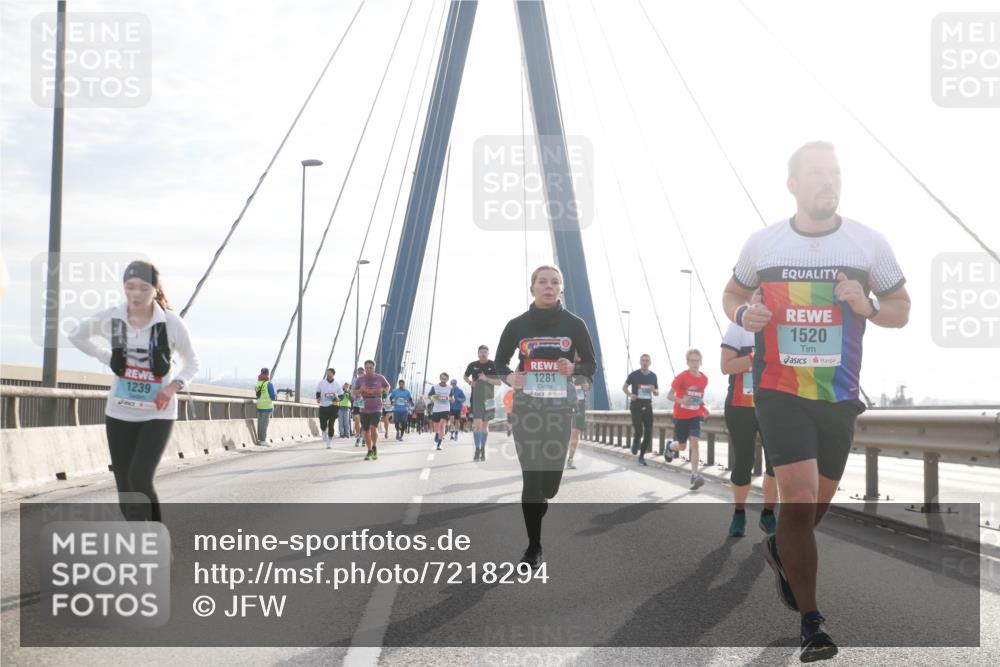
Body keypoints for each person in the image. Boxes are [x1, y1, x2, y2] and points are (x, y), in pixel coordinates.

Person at [722, 141, 909, 662]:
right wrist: (745, 318)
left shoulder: (869, 244)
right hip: (779, 389)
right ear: (794, 185)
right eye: (817, 174)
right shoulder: (764, 245)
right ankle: (812, 622)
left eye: (834, 172)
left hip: (838, 394)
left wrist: (868, 305)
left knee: (813, 506)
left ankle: (782, 551)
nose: (828, 182)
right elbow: (733, 293)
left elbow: (901, 309)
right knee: (799, 496)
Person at [69, 260, 200, 522]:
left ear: (155, 289)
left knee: (139, 477)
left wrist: (172, 387)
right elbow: (77, 335)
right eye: (130, 287)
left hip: (157, 414)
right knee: (125, 488)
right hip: (119, 412)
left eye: (143, 287)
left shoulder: (171, 323)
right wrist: (106, 357)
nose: (136, 294)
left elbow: (192, 363)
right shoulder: (113, 318)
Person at [495, 265, 597, 569]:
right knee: (531, 479)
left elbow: (591, 365)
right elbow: (500, 363)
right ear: (533, 288)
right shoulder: (517, 325)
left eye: (555, 282)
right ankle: (533, 548)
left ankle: (541, 499)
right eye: (543, 282)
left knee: (549, 486)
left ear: (561, 288)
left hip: (559, 410)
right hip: (526, 408)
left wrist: (573, 369)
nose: (548, 286)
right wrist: (513, 377)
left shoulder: (575, 324)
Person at [721, 322, 778, 537]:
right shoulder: (738, 327)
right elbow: (726, 366)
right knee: (744, 462)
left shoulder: (780, 322)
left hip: (773, 406)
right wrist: (757, 356)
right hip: (740, 405)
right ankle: (739, 513)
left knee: (775, 464)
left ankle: (768, 514)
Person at [666, 349, 708, 489]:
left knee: (695, 443)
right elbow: (670, 396)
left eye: (697, 360)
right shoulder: (682, 377)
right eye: (692, 360)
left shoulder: (704, 379)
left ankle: (694, 475)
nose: (695, 363)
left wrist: (703, 408)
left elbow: (699, 398)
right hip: (681, 416)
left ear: (701, 362)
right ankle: (670, 446)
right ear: (687, 362)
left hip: (695, 416)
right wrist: (682, 400)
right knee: (682, 447)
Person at [464, 345, 502, 461]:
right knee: (477, 425)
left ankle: (483, 449)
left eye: (485, 352)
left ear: (488, 353)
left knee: (485, 426)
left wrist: (486, 379)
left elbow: (499, 382)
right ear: (478, 353)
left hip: (489, 399)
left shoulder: (493, 365)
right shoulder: (472, 365)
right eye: (481, 352)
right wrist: (471, 383)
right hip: (476, 399)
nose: (483, 354)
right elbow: (465, 376)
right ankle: (477, 449)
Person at [623, 353, 658, 466]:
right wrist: (630, 394)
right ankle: (636, 441)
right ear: (640, 362)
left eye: (647, 360)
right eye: (643, 360)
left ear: (650, 363)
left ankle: (641, 456)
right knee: (639, 430)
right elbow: (624, 387)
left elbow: (657, 393)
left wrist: (654, 391)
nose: (645, 362)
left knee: (648, 433)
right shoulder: (634, 375)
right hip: (636, 407)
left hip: (648, 407)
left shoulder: (653, 376)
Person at [353, 360, 390, 460]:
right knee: (366, 430)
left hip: (377, 405)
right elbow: (354, 391)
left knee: (373, 428)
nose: (369, 369)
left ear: (374, 368)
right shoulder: (360, 379)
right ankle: (369, 451)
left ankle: (374, 446)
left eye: (371, 368)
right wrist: (361, 390)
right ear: (365, 368)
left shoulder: (380, 377)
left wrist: (383, 392)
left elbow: (387, 386)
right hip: (364, 406)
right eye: (367, 368)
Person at [316, 368, 343, 449]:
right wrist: (318, 398)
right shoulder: (321, 383)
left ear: (333, 374)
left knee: (331, 424)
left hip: (333, 405)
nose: (328, 374)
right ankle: (324, 431)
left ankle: (329, 442)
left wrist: (338, 398)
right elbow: (318, 392)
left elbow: (341, 395)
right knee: (323, 424)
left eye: (330, 373)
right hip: (323, 405)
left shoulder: (337, 384)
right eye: (327, 373)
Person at [566, 379, 589, 469]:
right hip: (562, 403)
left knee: (575, 432)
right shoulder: (561, 367)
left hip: (579, 405)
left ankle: (570, 459)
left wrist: (587, 386)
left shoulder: (583, 371)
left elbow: (589, 384)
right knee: (562, 432)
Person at [428, 373, 452, 450]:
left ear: (447, 379)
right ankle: (437, 433)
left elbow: (452, 398)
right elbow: (429, 396)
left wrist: (452, 399)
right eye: (442, 378)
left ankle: (439, 444)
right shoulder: (435, 387)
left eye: (445, 378)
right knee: (436, 427)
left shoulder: (449, 388)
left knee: (442, 426)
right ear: (440, 378)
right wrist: (435, 397)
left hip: (445, 409)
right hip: (436, 409)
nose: (443, 380)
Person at [254, 368, 277, 446]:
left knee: (260, 424)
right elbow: (273, 397)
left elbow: (257, 394)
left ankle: (259, 440)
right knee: (264, 424)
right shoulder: (269, 384)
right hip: (267, 407)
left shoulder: (257, 383)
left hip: (259, 406)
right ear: (267, 374)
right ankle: (263, 440)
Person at [351, 367, 364, 445]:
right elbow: (352, 390)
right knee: (356, 419)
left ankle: (363, 437)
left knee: (364, 421)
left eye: (362, 372)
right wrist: (353, 396)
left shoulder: (367, 380)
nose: (360, 374)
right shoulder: (354, 380)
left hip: (364, 403)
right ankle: (358, 435)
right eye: (359, 372)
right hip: (356, 402)